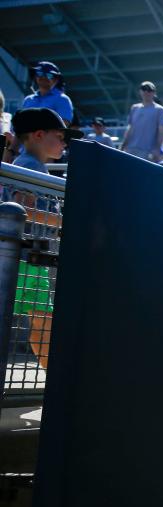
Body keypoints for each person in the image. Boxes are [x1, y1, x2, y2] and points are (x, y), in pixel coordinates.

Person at [9, 108, 82, 371]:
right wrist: (66, 221)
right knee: (43, 323)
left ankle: (54, 383)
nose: (65, 143)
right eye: (60, 136)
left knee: (43, 323)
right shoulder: (29, 165)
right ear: (39, 135)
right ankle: (57, 386)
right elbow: (20, 209)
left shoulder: (32, 164)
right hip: (23, 258)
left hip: (29, 258)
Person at [120, 81, 163, 162]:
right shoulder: (134, 108)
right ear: (140, 91)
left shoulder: (160, 110)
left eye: (149, 90)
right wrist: (123, 145)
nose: (146, 92)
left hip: (148, 152)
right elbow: (130, 128)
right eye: (144, 89)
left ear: (154, 93)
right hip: (130, 150)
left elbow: (161, 132)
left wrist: (156, 149)